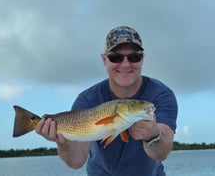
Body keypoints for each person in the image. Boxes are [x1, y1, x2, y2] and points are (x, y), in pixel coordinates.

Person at [36, 26, 178, 176]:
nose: (125, 64)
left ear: (142, 59)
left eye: (134, 57)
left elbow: (161, 154)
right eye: (115, 57)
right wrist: (63, 142)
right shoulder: (87, 99)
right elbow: (75, 162)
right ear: (104, 60)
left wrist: (153, 135)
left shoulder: (161, 95)